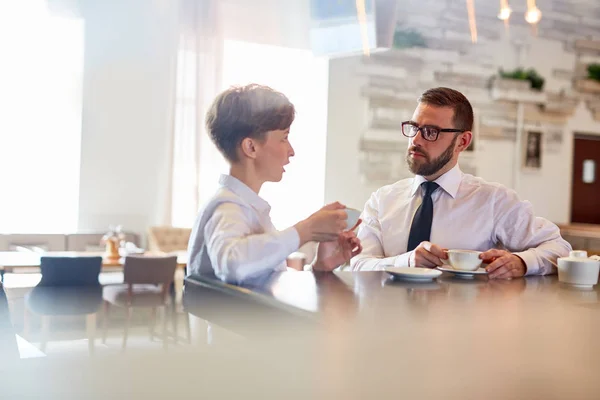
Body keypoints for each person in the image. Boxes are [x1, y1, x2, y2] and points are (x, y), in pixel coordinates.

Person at [350, 87, 571, 279]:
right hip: (386, 319)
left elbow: (560, 248)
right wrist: (406, 262)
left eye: (430, 132)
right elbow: (358, 265)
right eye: (414, 128)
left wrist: (522, 263)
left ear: (462, 142)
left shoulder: (493, 201)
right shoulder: (382, 200)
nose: (415, 140)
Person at [187, 84, 362, 283]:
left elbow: (265, 286)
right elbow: (233, 265)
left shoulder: (247, 208)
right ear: (251, 147)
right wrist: (307, 230)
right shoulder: (227, 207)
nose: (291, 150)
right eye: (284, 138)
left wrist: (320, 267)